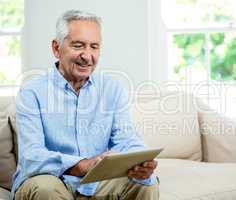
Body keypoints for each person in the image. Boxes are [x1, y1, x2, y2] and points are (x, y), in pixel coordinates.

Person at [11, 9, 159, 200]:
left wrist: (141, 160)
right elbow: (31, 156)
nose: (87, 56)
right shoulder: (32, 92)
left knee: (145, 183)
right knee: (45, 188)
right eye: (78, 45)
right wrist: (81, 165)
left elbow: (126, 139)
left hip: (96, 183)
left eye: (94, 47)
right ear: (56, 48)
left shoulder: (112, 88)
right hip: (51, 180)